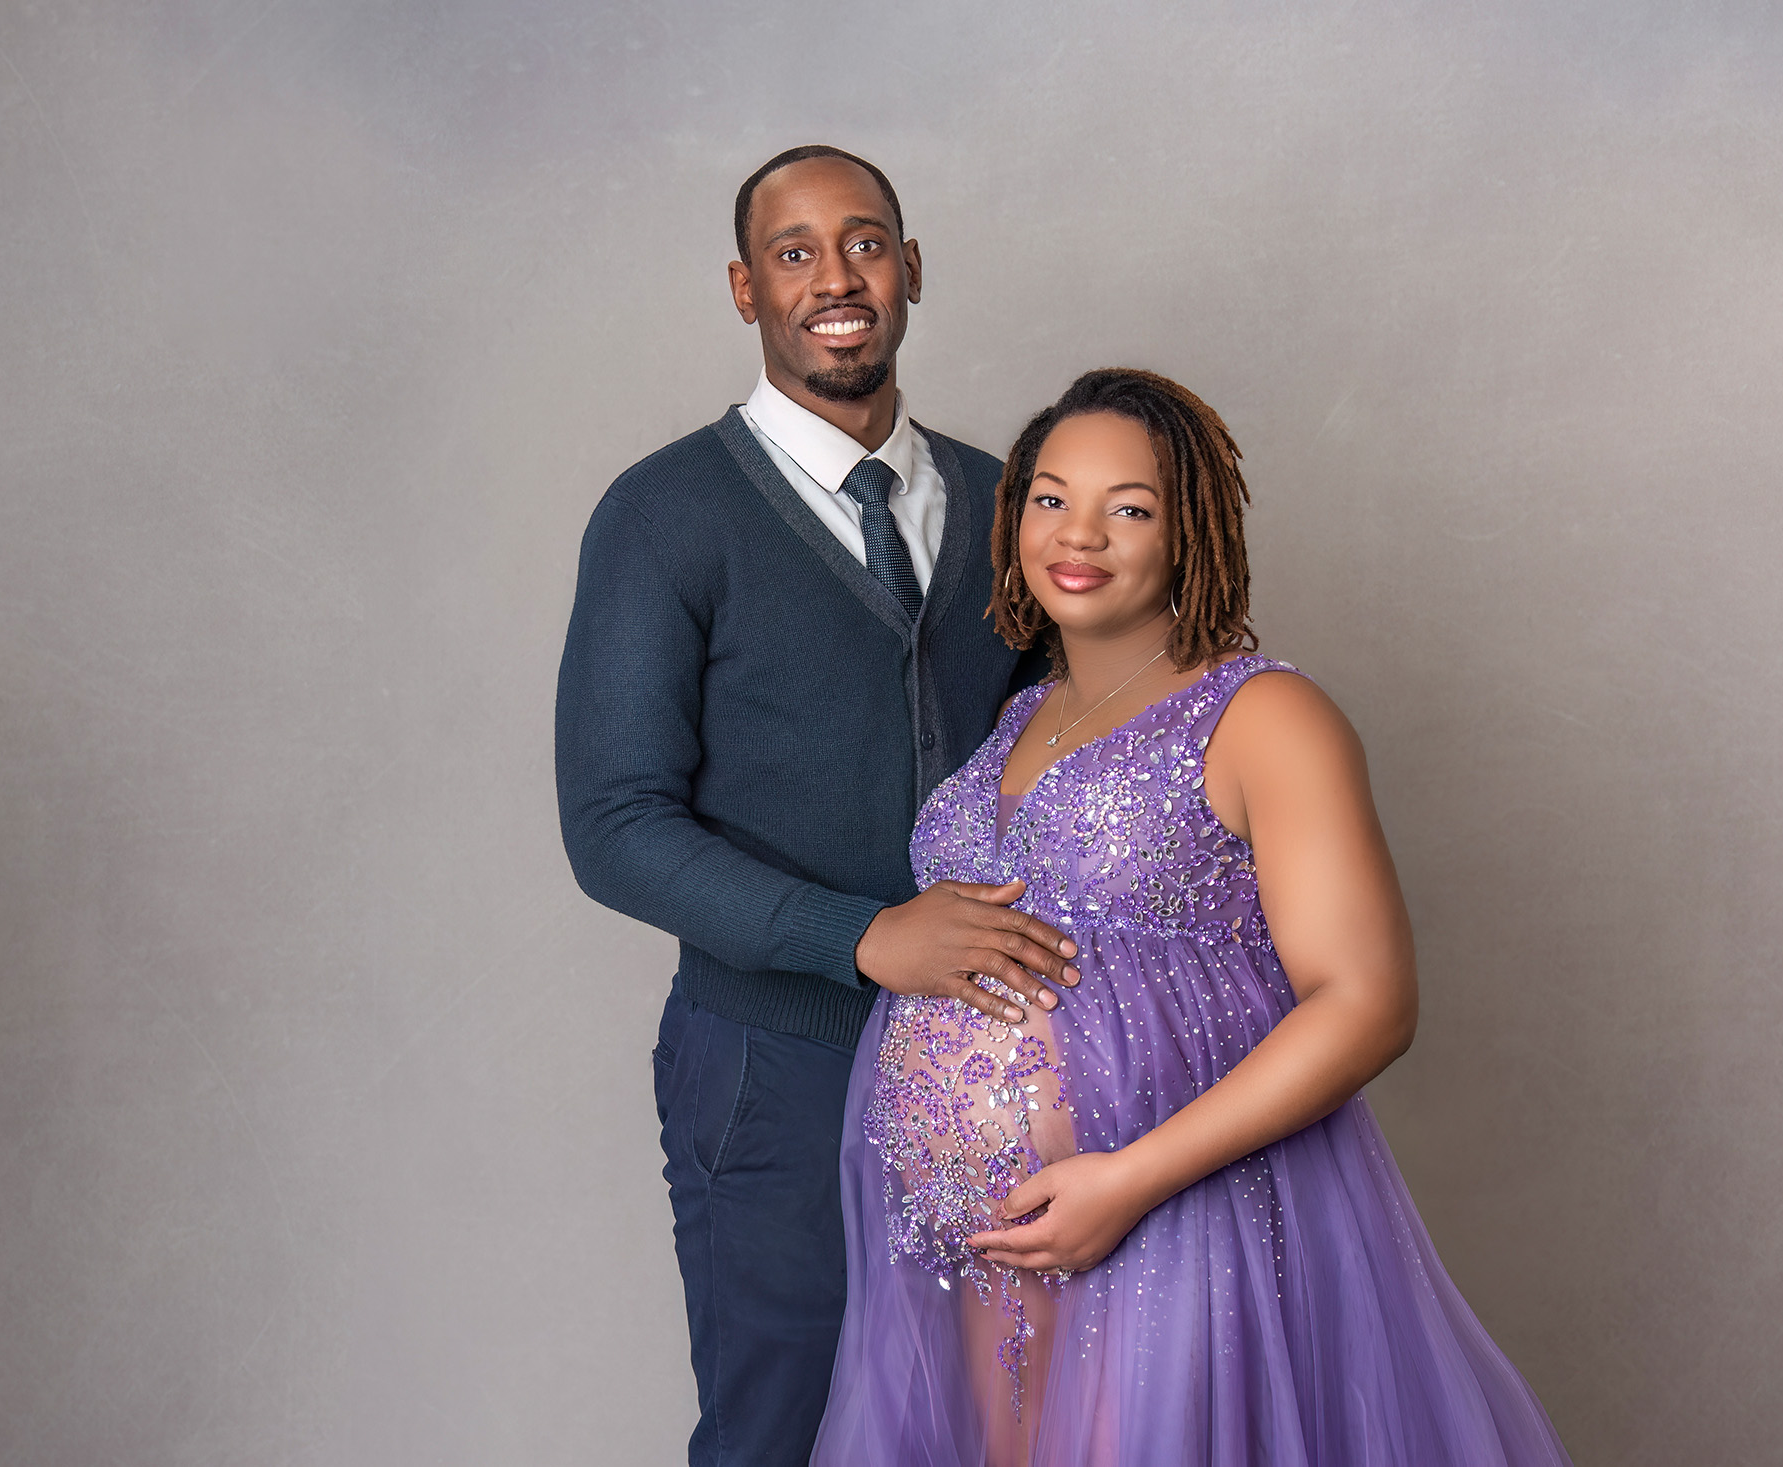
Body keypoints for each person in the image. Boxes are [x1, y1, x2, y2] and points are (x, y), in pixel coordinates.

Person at [812, 369, 1574, 1466]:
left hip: (1167, 1218)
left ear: (1191, 535)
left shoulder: (1265, 715)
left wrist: (1129, 1179)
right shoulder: (1022, 714)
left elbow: (1366, 1002)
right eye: (1049, 498)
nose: (1080, 533)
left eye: (1129, 507)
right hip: (970, 1246)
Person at [554, 146, 1078, 1467]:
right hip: (771, 1063)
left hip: (997, 1058)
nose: (834, 277)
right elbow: (615, 824)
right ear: (746, 288)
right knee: (784, 1432)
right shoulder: (665, 514)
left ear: (911, 269)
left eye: (865, 242)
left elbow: (1073, 752)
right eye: (794, 251)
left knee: (1002, 1420)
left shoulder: (1012, 503)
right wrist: (863, 934)